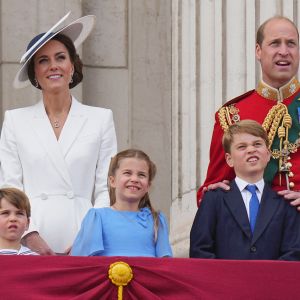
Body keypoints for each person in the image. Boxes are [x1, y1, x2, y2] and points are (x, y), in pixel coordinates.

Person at [0, 13, 117, 255]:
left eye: (60, 57)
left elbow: (107, 187)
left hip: (84, 234)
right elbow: (10, 186)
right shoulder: (15, 120)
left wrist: (91, 235)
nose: (53, 65)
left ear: (72, 66)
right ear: (35, 72)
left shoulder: (100, 118)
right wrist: (29, 235)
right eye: (43, 60)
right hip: (30, 239)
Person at [197, 16, 300, 209]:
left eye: (291, 44)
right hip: (256, 232)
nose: (284, 52)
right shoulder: (231, 115)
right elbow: (213, 188)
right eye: (275, 43)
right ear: (258, 51)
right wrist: (213, 194)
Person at [190, 120, 300, 260]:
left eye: (257, 144)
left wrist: (268, 279)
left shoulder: (285, 203)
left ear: (268, 154)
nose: (251, 149)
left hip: (271, 280)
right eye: (242, 147)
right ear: (229, 159)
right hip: (224, 280)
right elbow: (199, 249)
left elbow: (294, 252)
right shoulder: (214, 199)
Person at [71, 149, 173, 257]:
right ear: (112, 181)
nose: (134, 179)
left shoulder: (156, 220)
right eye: (127, 173)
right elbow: (84, 263)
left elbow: (165, 263)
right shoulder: (97, 218)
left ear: (148, 186)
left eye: (141, 175)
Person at [0, 187, 38, 255]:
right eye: (5, 213)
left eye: (19, 213)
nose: (13, 218)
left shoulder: (35, 259)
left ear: (27, 223)